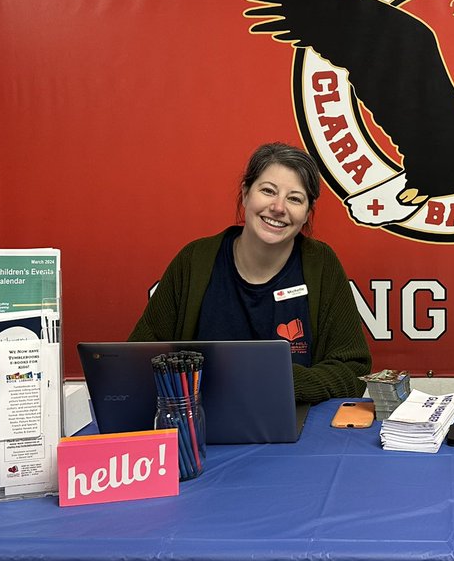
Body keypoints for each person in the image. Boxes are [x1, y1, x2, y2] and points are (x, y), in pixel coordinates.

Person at [130, 142, 371, 404]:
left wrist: (276, 382)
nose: (278, 207)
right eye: (268, 191)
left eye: (294, 198)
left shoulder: (321, 264)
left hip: (293, 428)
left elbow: (353, 371)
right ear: (245, 194)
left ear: (306, 213)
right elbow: (137, 361)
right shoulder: (194, 261)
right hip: (201, 426)